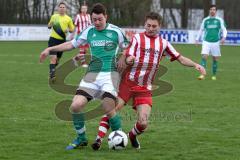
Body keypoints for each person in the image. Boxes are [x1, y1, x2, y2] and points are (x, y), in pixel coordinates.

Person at [91, 12, 206, 150]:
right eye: (148, 25)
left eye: (154, 26)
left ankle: (132, 136)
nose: (150, 28)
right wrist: (129, 60)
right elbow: (129, 55)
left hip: (144, 88)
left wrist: (196, 65)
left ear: (160, 26)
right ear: (145, 24)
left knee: (143, 123)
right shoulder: (137, 39)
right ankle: (98, 139)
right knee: (112, 110)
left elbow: (180, 58)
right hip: (128, 83)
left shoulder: (164, 44)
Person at [40, 3, 129, 150]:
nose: (97, 22)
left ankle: (118, 136)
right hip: (92, 74)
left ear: (106, 17)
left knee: (107, 106)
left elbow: (129, 46)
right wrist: (50, 49)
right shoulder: (89, 31)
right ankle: (81, 138)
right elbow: (71, 45)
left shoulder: (116, 31)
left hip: (110, 74)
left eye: (100, 19)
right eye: (94, 19)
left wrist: (124, 56)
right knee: (76, 105)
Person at [195, 5, 227, 80]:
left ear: (216, 11)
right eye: (211, 9)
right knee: (204, 57)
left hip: (216, 42)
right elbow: (201, 30)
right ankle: (202, 75)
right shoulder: (205, 20)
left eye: (214, 9)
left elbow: (224, 29)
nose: (212, 11)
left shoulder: (219, 20)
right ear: (209, 11)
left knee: (215, 59)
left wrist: (224, 37)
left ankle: (214, 75)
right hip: (206, 41)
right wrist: (197, 39)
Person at [47, 1, 75, 82]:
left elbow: (72, 29)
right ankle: (52, 75)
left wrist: (68, 29)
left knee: (57, 60)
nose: (62, 9)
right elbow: (49, 26)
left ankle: (52, 69)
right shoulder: (54, 17)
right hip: (53, 40)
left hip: (62, 42)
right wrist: (50, 24)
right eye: (60, 7)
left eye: (63, 7)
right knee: (53, 58)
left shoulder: (68, 19)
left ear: (65, 9)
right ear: (58, 8)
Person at [72, 3, 92, 67]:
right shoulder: (78, 16)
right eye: (83, 8)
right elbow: (75, 25)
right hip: (80, 35)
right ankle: (83, 63)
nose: (84, 9)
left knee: (85, 50)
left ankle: (75, 59)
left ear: (87, 9)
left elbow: (90, 25)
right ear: (81, 9)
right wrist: (72, 34)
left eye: (85, 8)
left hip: (87, 35)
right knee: (82, 49)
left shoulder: (88, 16)